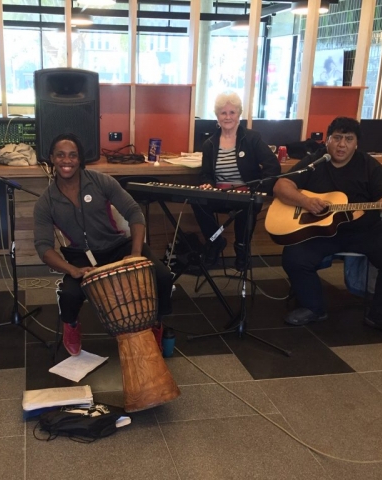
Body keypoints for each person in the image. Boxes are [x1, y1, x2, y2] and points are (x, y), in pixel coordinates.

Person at [272, 117, 382, 340]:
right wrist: (305, 201)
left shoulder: (369, 165)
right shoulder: (316, 161)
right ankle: (314, 308)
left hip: (364, 230)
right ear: (327, 140)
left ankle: (381, 315)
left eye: (349, 139)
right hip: (323, 232)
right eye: (337, 138)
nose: (341, 145)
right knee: (293, 256)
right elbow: (281, 185)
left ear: (356, 143)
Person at [33, 133, 173, 356]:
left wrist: (136, 254)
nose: (66, 161)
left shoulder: (100, 181)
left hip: (118, 246)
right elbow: (43, 248)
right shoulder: (45, 202)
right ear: (51, 158)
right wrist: (72, 270)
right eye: (60, 155)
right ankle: (71, 326)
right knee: (69, 295)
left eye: (72, 155)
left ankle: (156, 322)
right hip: (80, 256)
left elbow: (134, 212)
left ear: (80, 159)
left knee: (163, 276)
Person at [193, 91, 281, 269]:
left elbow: (273, 166)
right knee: (197, 199)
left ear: (239, 115)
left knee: (247, 205)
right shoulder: (209, 144)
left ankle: (242, 249)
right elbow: (206, 174)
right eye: (223, 113)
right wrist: (207, 184)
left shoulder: (252, 138)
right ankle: (216, 242)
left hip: (246, 193)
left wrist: (259, 189)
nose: (227, 117)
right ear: (217, 116)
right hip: (220, 194)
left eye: (232, 112)